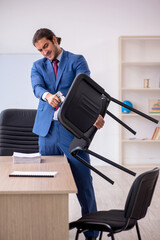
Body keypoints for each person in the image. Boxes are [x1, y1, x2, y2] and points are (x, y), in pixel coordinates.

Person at [31, 28, 104, 240]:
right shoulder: (38, 66)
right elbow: (36, 87)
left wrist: (93, 114)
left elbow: (87, 89)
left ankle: (91, 233)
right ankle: (49, 230)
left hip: (72, 130)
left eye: (45, 46)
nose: (44, 52)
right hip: (47, 131)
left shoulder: (76, 60)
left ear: (54, 40)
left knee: (83, 182)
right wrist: (46, 95)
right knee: (47, 184)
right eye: (40, 50)